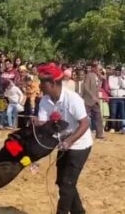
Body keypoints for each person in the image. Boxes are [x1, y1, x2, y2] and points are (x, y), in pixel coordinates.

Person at [35, 62, 92, 214]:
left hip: (80, 145)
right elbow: (43, 122)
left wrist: (69, 141)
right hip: (63, 144)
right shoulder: (45, 100)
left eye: (42, 82)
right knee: (62, 182)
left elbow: (85, 123)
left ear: (52, 83)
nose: (39, 85)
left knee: (67, 184)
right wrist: (36, 124)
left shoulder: (72, 99)